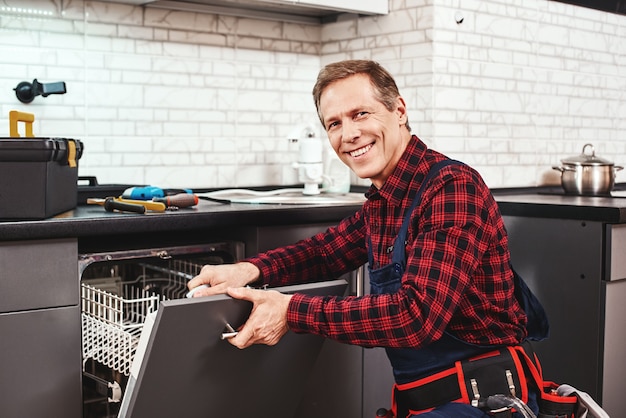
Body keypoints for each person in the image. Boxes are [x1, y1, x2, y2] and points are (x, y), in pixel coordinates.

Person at [188, 60, 542, 417]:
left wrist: (290, 311)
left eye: (360, 114)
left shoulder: (451, 188)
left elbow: (415, 316)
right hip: (429, 402)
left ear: (398, 110)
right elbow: (324, 253)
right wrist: (248, 270)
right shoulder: (385, 201)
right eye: (335, 124)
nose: (349, 134)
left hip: (485, 402)